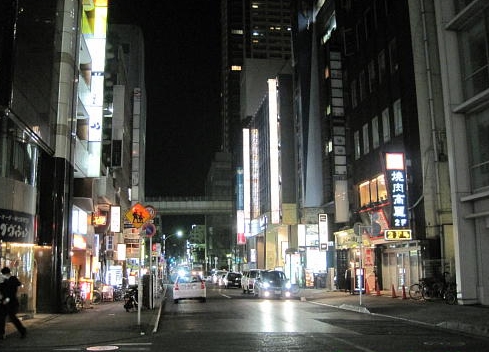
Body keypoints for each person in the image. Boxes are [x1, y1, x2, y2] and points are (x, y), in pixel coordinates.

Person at [0, 267, 26, 339]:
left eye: (3, 274)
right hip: (5, 302)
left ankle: (22, 330)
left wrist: (7, 299)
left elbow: (12, 292)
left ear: (6, 274)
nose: (3, 275)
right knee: (2, 317)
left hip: (11, 302)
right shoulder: (5, 281)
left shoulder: (12, 280)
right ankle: (1, 333)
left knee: (12, 318)